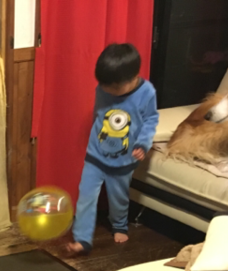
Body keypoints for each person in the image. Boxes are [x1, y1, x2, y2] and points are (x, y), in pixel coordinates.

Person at [66, 43, 159, 255]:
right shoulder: (103, 88)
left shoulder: (146, 92)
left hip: (124, 159)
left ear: (133, 78)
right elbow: (99, 116)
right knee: (86, 196)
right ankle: (82, 239)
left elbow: (151, 120)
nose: (106, 90)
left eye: (113, 87)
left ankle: (119, 225)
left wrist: (143, 143)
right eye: (103, 84)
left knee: (119, 197)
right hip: (96, 155)